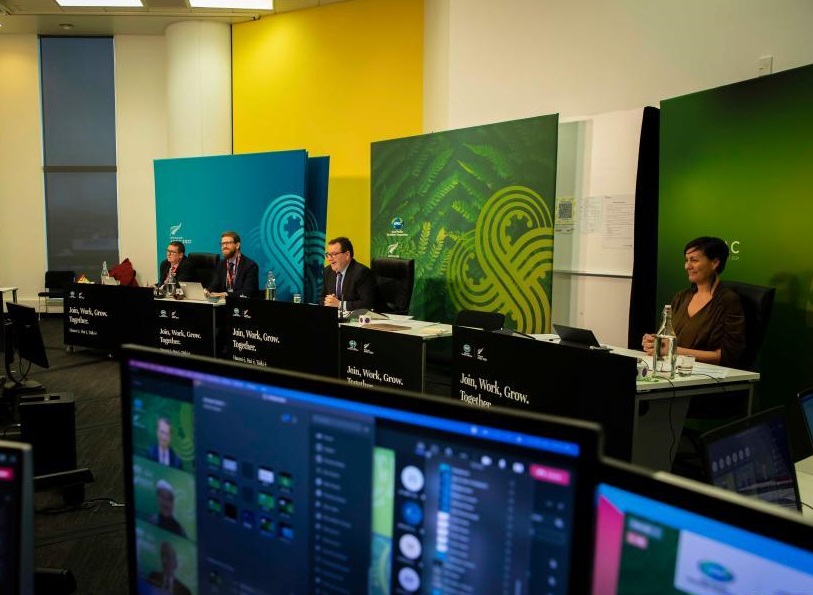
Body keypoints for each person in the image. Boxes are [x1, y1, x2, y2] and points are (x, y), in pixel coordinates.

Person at [642, 236, 746, 367]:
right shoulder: (681, 297)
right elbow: (667, 337)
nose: (687, 266)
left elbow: (726, 356)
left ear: (714, 263)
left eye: (694, 260)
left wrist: (672, 350)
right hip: (671, 368)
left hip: (704, 374)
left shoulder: (728, 301)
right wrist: (655, 342)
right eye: (686, 260)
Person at [319, 236, 377, 311]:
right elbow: (322, 298)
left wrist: (340, 304)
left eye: (334, 254)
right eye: (328, 254)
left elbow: (367, 304)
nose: (329, 259)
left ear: (347, 255)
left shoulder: (362, 272)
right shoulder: (327, 271)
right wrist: (328, 301)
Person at [205, 231, 259, 297]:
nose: (224, 246)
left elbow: (248, 292)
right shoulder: (221, 264)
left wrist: (226, 295)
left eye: (227, 243)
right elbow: (214, 285)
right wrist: (207, 291)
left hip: (241, 302)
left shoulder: (250, 266)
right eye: (222, 244)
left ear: (237, 245)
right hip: (222, 302)